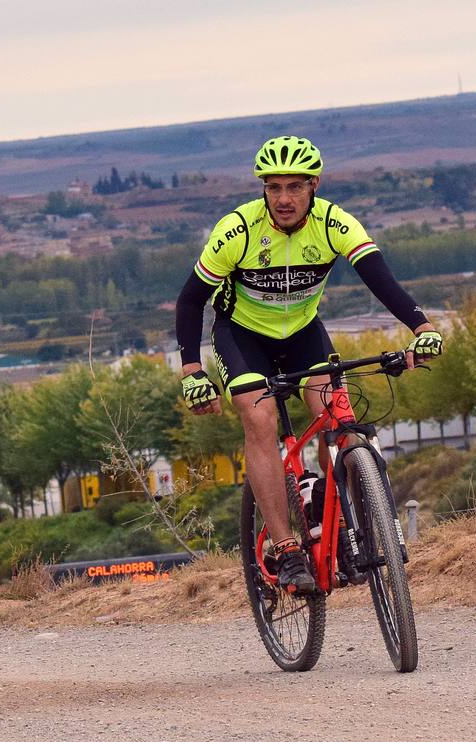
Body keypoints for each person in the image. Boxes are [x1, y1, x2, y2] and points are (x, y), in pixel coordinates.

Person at [175, 136, 444, 596]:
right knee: (258, 419)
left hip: (302, 333)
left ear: (313, 185)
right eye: (273, 187)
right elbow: (191, 299)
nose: (283, 198)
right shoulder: (238, 229)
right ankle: (286, 547)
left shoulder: (334, 223)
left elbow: (381, 280)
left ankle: (344, 523)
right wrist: (191, 370)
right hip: (242, 336)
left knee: (338, 415)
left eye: (294, 187)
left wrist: (421, 327)